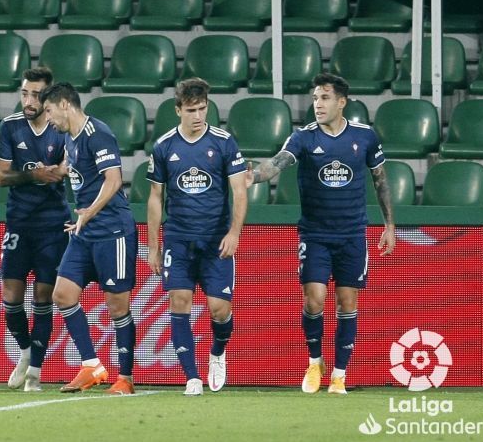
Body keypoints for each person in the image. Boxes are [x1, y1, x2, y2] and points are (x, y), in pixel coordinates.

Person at [248, 73, 396, 394]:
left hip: (352, 234)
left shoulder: (365, 137)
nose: (318, 104)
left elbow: (380, 180)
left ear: (342, 102)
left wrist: (389, 225)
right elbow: (277, 164)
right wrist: (252, 175)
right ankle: (315, 362)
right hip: (314, 234)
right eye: (315, 98)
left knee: (347, 301)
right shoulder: (303, 138)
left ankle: (339, 375)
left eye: (325, 98)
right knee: (314, 300)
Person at [147, 78, 248, 396]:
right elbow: (154, 197)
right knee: (180, 301)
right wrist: (153, 246)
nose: (198, 116)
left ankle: (218, 352)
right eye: (191, 110)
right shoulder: (164, 146)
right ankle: (191, 376)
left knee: (220, 309)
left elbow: (240, 191)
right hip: (178, 238)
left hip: (216, 238)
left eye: (203, 108)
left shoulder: (223, 142)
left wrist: (234, 232)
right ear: (178, 110)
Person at [40, 82, 138, 395]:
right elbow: (77, 171)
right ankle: (91, 365)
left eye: (49, 111)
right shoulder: (69, 138)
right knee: (63, 295)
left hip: (113, 231)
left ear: (65, 104)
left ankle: (125, 378)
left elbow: (114, 180)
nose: (48, 118)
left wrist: (88, 213)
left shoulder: (99, 134)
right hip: (84, 232)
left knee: (116, 305)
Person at [0, 68, 70, 392]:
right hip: (19, 222)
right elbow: (0, 177)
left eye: (36, 95)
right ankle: (26, 353)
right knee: (11, 296)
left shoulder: (61, 128)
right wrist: (34, 176)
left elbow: (68, 167)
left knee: (43, 295)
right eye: (25, 93)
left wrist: (62, 171)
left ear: (48, 97)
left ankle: (35, 372)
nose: (28, 100)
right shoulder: (10, 127)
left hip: (53, 223)